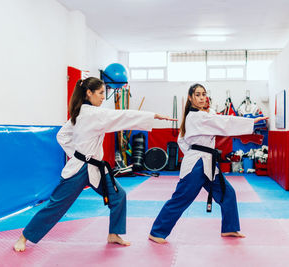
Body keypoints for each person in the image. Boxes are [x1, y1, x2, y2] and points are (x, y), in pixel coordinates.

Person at [14, 77, 176, 252]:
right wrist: (153, 116)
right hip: (79, 170)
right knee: (57, 206)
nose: (102, 98)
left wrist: (76, 153)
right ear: (88, 93)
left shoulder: (81, 114)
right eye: (99, 93)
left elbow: (61, 136)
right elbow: (122, 115)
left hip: (96, 167)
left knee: (118, 195)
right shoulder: (92, 114)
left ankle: (114, 234)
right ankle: (24, 237)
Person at [149, 83, 268, 244]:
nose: (202, 97)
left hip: (208, 162)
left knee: (228, 193)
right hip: (197, 164)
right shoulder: (197, 116)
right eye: (197, 95)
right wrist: (251, 121)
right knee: (181, 198)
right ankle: (157, 232)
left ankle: (230, 227)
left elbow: (183, 140)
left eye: (204, 94)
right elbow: (224, 122)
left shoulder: (200, 116)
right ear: (190, 98)